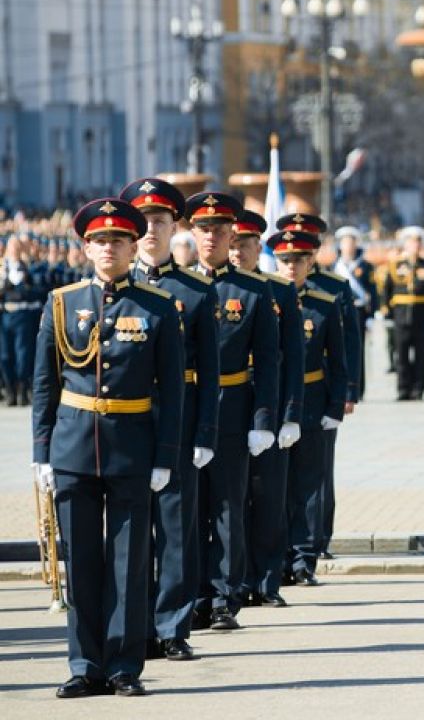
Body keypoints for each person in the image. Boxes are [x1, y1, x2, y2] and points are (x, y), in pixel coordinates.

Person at [32, 197, 185, 698]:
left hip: (132, 447)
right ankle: (83, 663)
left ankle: (123, 666)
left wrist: (165, 456)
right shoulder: (61, 303)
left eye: (118, 240)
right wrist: (41, 453)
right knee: (80, 564)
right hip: (74, 448)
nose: (108, 249)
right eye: (99, 241)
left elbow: (173, 390)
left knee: (128, 563)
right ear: (86, 247)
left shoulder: (157, 307)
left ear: (131, 245)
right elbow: (45, 385)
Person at [119, 178, 220, 662]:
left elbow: (212, 370)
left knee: (178, 529)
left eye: (161, 222)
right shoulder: (118, 289)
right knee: (132, 532)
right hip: (129, 421)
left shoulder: (196, 292)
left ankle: (172, 626)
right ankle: (137, 625)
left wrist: (205, 431)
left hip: (177, 421)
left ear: (174, 226)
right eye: (145, 223)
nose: (152, 231)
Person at [187, 192, 280, 632]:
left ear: (232, 238)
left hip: (232, 406)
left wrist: (263, 421)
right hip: (187, 411)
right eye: (204, 231)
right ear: (192, 234)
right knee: (188, 508)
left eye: (220, 232)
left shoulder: (253, 291)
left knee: (227, 507)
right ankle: (194, 594)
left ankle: (225, 595)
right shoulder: (179, 288)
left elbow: (268, 360)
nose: (212, 238)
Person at [228, 210, 305, 606]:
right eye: (233, 242)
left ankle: (268, 580)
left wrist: (291, 413)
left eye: (245, 243)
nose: (238, 250)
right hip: (231, 402)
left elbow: (293, 358)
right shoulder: (215, 286)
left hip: (271, 406)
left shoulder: (280, 291)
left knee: (270, 496)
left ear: (260, 246)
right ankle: (236, 581)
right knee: (233, 500)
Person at [275, 213, 359, 561]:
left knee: (318, 471)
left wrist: (348, 391)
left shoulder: (334, 288)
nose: (296, 258)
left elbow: (348, 342)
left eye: (304, 248)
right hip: (281, 394)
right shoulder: (274, 289)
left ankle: (317, 538)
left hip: (318, 389)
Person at [380, 226, 424, 400]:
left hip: (422, 316)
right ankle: (403, 389)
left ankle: (418, 389)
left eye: (417, 242)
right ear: (405, 244)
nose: (414, 245)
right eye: (411, 242)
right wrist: (386, 310)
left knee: (421, 354)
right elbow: (387, 290)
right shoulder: (395, 266)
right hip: (401, 316)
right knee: (401, 354)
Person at [1, 235, 50, 405]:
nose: (14, 249)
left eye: (17, 246)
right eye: (11, 246)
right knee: (5, 355)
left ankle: (22, 390)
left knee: (23, 355)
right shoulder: (2, 268)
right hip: (6, 314)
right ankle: (10, 390)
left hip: (24, 315)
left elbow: (40, 291)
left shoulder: (30, 268)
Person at [333, 226, 375, 397]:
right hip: (338, 312)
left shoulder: (365, 266)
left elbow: (373, 291)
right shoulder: (333, 266)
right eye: (345, 243)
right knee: (337, 350)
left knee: (357, 351)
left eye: (351, 243)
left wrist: (372, 315)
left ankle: (358, 388)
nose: (348, 246)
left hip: (358, 311)